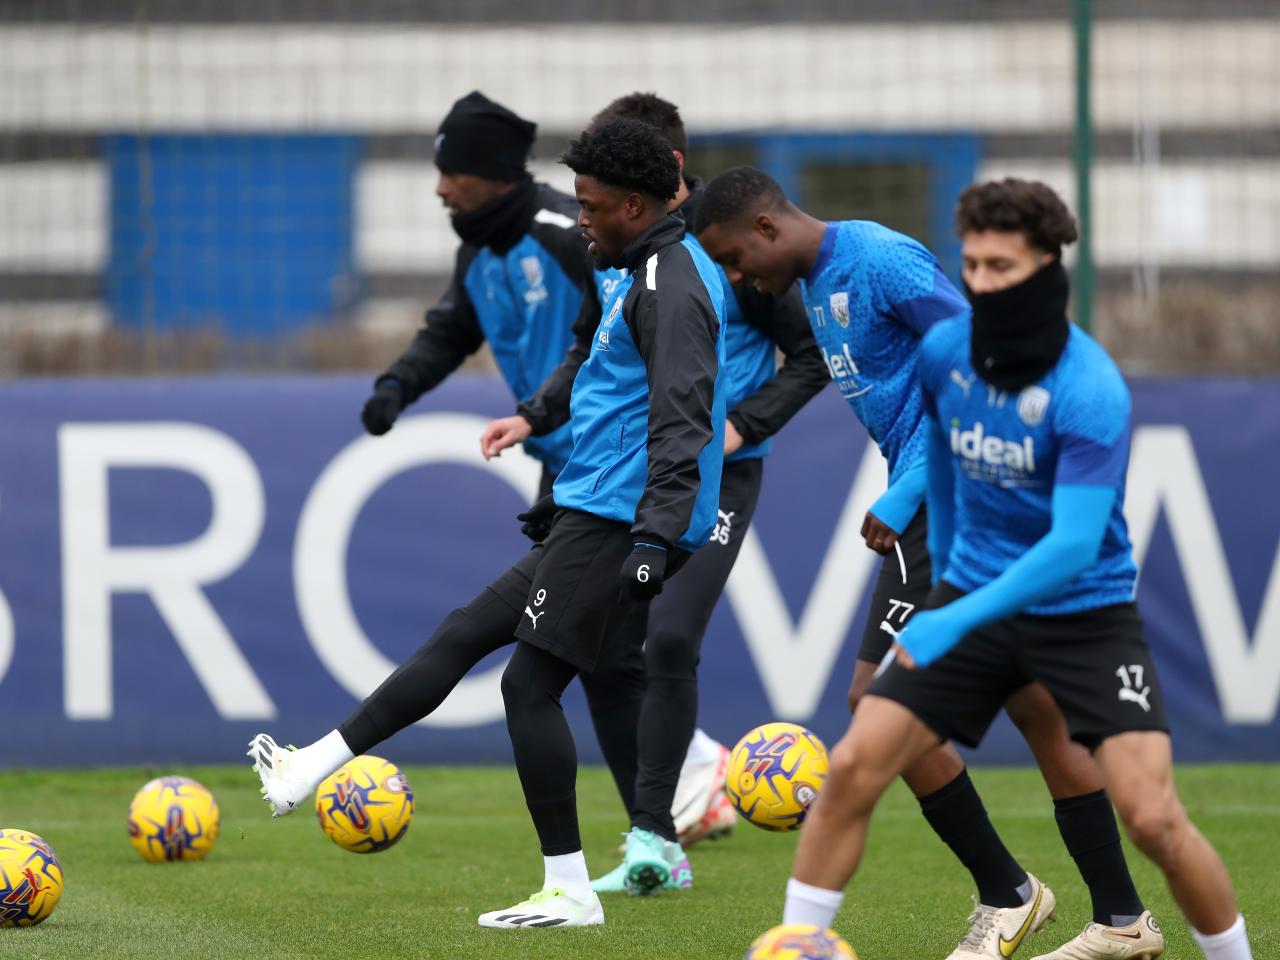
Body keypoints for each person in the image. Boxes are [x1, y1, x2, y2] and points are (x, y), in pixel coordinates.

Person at [253, 117, 728, 929]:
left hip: (621, 518)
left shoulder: (672, 283)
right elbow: (600, 379)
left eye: (592, 205)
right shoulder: (632, 267)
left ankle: (571, 887)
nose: (581, 217)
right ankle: (310, 765)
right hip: (593, 504)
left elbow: (683, 418)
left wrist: (654, 535)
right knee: (467, 629)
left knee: (527, 686)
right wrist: (548, 448)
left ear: (637, 205)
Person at [771, 177, 1253, 960]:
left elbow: (1073, 545)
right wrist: (950, 586)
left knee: (1155, 819)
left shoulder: (1089, 384)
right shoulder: (945, 353)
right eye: (972, 265)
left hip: (1082, 611)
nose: (983, 282)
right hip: (972, 594)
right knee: (856, 764)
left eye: (1002, 266)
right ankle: (796, 945)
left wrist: (950, 617)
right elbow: (942, 469)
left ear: (1046, 266)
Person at [696, 168, 1163, 960]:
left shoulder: (880, 260)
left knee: (876, 696)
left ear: (765, 227)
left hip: (949, 505)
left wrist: (910, 489)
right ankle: (1117, 917)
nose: (737, 277)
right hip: (940, 504)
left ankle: (1010, 893)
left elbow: (981, 365)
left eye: (734, 258)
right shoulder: (814, 285)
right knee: (1033, 705)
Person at [481, 92, 830, 896]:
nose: (588, 204)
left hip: (716, 472)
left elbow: (809, 356)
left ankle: (655, 832)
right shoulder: (616, 244)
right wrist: (535, 414)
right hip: (634, 475)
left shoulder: (724, 247)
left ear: (663, 170)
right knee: (609, 653)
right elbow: (587, 343)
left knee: (667, 639)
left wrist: (741, 424)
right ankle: (656, 838)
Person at [357, 90, 586, 494]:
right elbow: (450, 333)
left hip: (611, 460)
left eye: (453, 173)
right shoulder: (477, 251)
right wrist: (397, 386)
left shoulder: (571, 236)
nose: (440, 189)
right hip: (558, 463)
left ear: (495, 173)